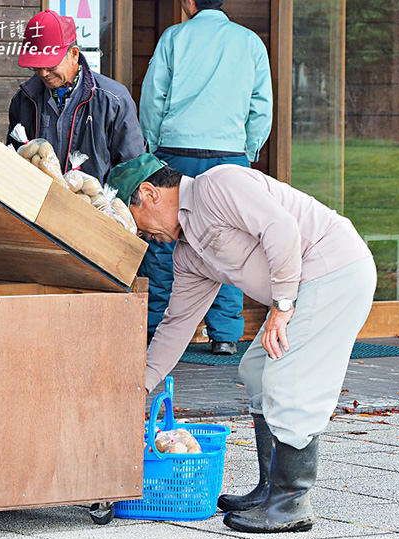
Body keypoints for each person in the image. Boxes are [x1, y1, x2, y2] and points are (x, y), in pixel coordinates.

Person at [110, 154, 375, 533]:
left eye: (134, 220)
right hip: (301, 289)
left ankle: (290, 502)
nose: (140, 235)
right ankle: (270, 489)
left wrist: (281, 305)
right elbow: (178, 324)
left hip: (332, 271)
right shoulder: (186, 254)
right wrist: (139, 386)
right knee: (255, 369)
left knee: (287, 379)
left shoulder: (218, 185)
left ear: (149, 193)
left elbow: (281, 228)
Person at [138, 0, 273, 355]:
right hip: (229, 157)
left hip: (176, 152)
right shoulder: (249, 43)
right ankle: (225, 334)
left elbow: (153, 98)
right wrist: (249, 150)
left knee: (164, 238)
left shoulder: (174, 38)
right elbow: (261, 107)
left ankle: (156, 327)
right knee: (230, 243)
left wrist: (153, 145)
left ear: (188, 3)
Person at [6, 10, 145, 186]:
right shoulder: (24, 100)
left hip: (95, 207)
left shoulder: (113, 99)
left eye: (50, 64)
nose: (43, 73)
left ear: (74, 54)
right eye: (36, 66)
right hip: (36, 206)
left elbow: (132, 170)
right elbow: (16, 159)